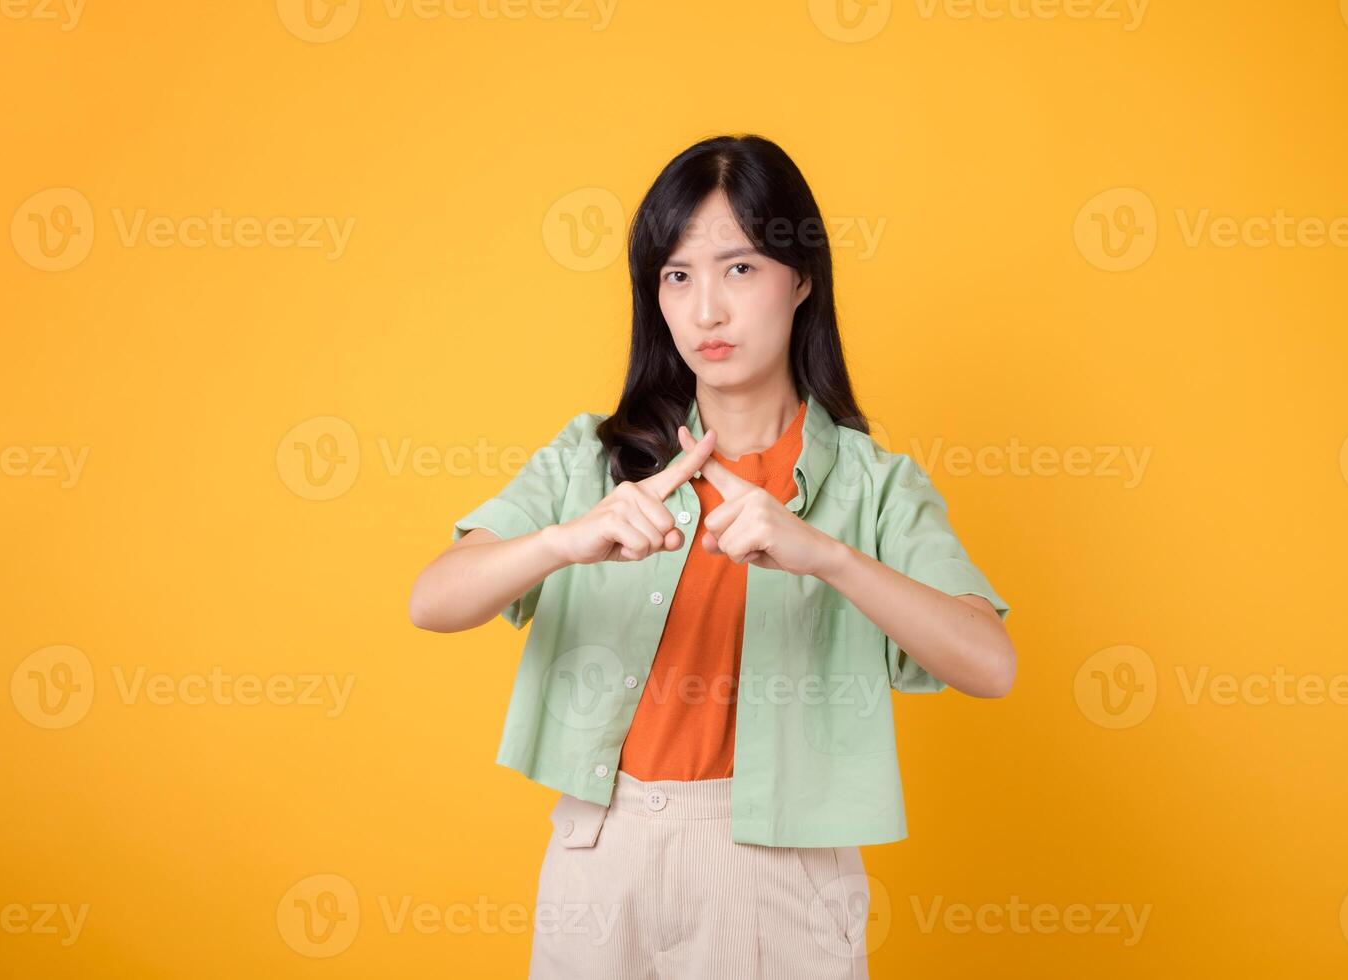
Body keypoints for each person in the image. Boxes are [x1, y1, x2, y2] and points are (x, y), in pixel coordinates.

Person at [410, 133, 1016, 979]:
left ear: (801, 278)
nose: (706, 312)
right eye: (677, 275)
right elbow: (432, 600)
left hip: (777, 867)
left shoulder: (874, 484)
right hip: (600, 849)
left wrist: (828, 557)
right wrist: (563, 541)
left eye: (739, 268)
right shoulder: (595, 458)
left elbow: (990, 662)